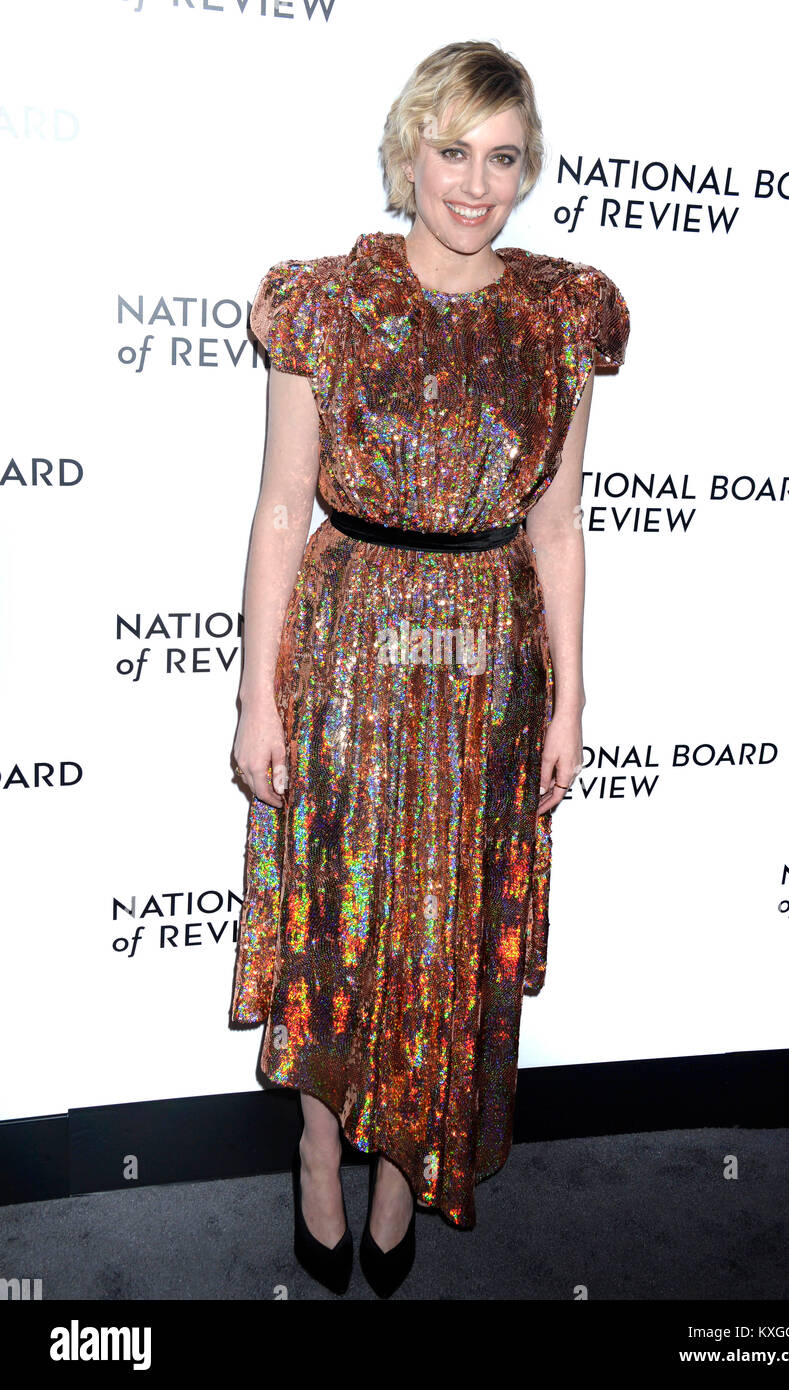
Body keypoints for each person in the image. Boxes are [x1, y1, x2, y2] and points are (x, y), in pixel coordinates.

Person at [229, 38, 630, 1299]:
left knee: (451, 933)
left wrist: (570, 692)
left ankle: (404, 1171)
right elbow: (282, 507)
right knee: (345, 921)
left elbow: (559, 524)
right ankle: (314, 1143)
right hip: (350, 652)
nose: (475, 181)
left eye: (502, 157)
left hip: (488, 663)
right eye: (452, 150)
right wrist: (256, 690)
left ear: (528, 171)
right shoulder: (327, 303)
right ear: (407, 153)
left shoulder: (562, 314)